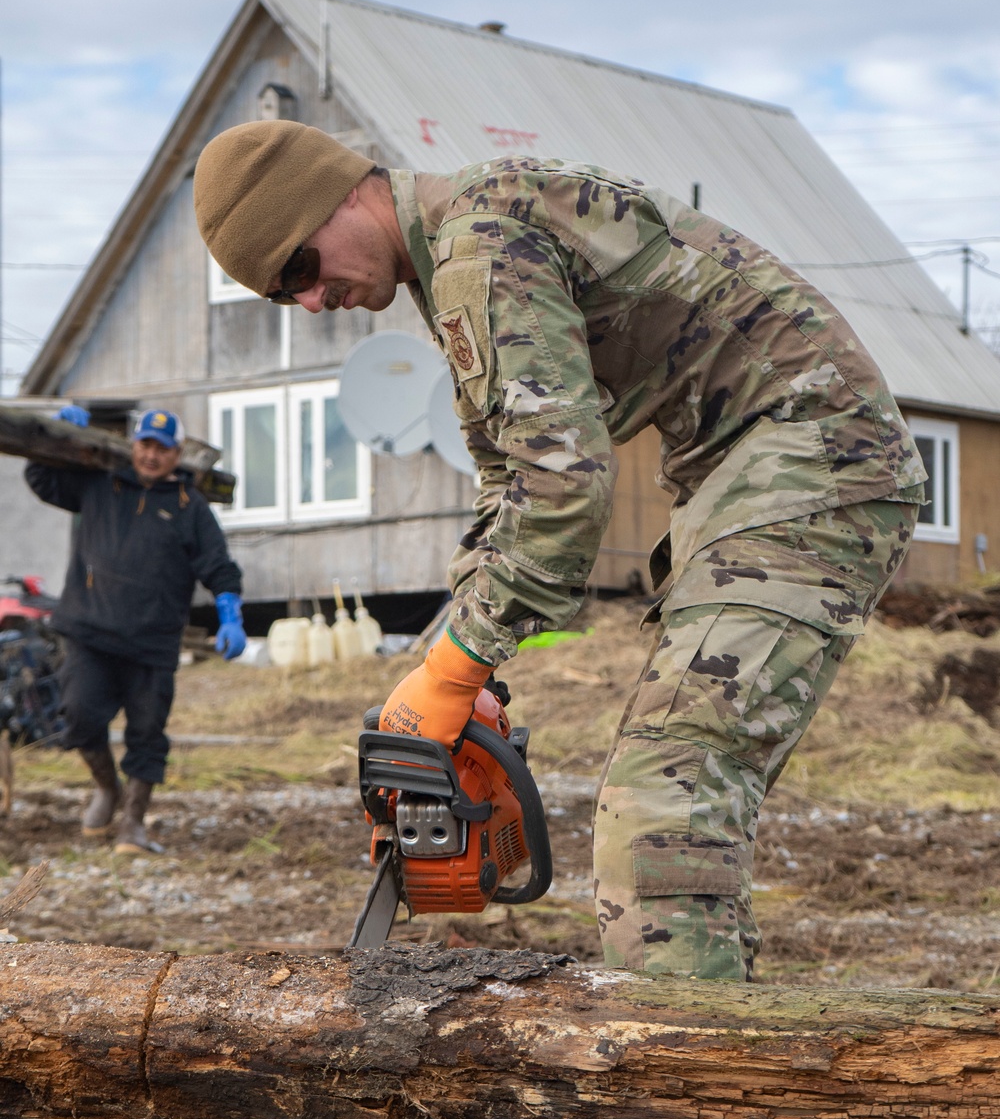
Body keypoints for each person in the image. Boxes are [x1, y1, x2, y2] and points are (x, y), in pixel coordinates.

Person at [194, 121, 924, 982]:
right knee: (676, 784)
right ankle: (709, 1026)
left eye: (300, 269)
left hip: (815, 460)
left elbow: (565, 482)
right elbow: (508, 475)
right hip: (760, 472)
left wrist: (457, 668)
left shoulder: (478, 244)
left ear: (340, 193)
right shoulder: (451, 260)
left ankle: (689, 1080)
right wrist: (457, 664)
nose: (312, 303)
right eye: (286, 297)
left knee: (667, 793)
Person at [26, 408, 246, 852]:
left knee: (147, 733)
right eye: (145, 444)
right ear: (133, 445)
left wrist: (231, 614)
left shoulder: (190, 507)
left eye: (162, 448)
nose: (151, 455)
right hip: (89, 630)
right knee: (80, 715)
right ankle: (108, 789)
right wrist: (57, 435)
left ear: (177, 454)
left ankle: (133, 824)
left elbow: (219, 566)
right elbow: (42, 480)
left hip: (152, 642)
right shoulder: (99, 483)